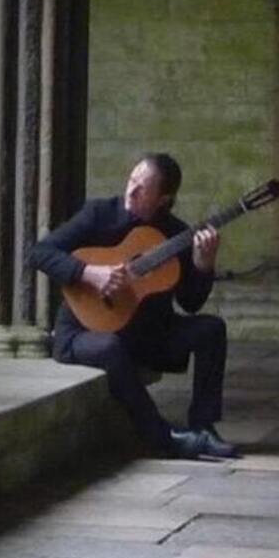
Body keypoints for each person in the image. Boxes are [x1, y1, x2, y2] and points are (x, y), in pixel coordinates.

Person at [30, 153, 237, 459]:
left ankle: (203, 426)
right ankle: (163, 438)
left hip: (146, 336)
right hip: (85, 332)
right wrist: (89, 272)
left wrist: (203, 265)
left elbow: (190, 303)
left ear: (163, 199)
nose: (131, 191)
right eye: (132, 181)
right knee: (110, 346)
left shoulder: (175, 234)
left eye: (143, 188)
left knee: (211, 329)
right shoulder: (99, 214)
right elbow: (39, 253)